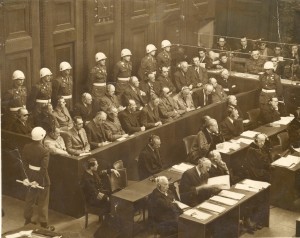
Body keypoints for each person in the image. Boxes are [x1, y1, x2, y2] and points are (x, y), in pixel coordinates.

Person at [21, 127, 55, 230]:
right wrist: (38, 181)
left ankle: (27, 221)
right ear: (42, 137)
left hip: (30, 175)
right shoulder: (45, 151)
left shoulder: (26, 147)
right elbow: (43, 169)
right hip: (42, 179)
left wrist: (26, 178)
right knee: (43, 201)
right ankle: (44, 224)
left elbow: (24, 164)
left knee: (29, 199)